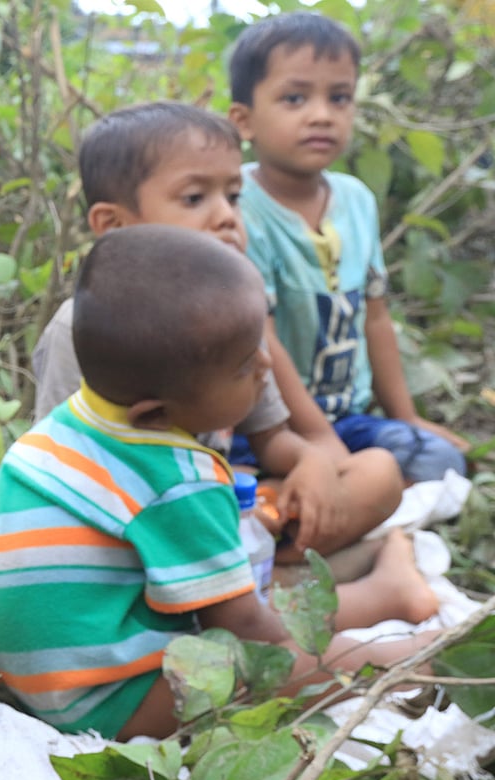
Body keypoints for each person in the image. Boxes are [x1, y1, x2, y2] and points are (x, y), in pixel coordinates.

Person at [0, 225, 440, 741]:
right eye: (244, 367)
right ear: (157, 413)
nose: (265, 366)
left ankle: (386, 592)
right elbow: (247, 632)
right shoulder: (177, 478)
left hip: (26, 676)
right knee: (270, 672)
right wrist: (350, 653)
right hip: (102, 704)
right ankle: (393, 654)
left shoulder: (69, 425)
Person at [31, 102, 403, 570]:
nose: (226, 216)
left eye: (234, 196)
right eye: (194, 199)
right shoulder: (82, 330)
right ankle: (292, 586)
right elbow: (62, 480)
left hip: (225, 508)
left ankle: (260, 582)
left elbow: (272, 438)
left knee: (378, 473)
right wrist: (206, 509)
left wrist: (310, 464)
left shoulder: (235, 313)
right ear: (115, 225)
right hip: (135, 532)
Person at [227, 11, 470, 485]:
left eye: (339, 97)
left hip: (347, 420)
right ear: (244, 120)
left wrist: (407, 418)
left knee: (441, 463)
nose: (322, 114)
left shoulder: (356, 199)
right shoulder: (237, 207)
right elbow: (265, 340)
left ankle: (345, 500)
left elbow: (375, 317)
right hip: (261, 427)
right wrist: (317, 442)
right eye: (295, 97)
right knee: (239, 477)